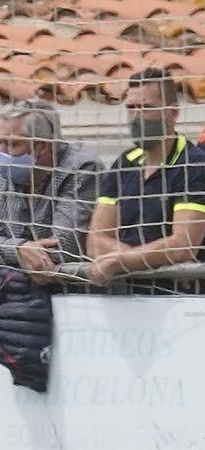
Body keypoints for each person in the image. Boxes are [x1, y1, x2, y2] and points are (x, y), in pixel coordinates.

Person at [87, 67, 205, 293]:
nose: (136, 117)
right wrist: (137, 259)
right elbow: (94, 241)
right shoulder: (124, 163)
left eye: (146, 108)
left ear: (172, 113)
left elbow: (183, 244)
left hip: (182, 302)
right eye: (130, 108)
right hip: (127, 298)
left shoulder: (195, 164)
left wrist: (118, 261)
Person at [0, 99, 104, 280]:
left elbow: (65, 247)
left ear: (42, 146)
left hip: (77, 294)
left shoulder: (82, 168)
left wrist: (10, 249)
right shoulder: (8, 172)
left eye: (13, 144)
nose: (2, 154)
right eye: (1, 143)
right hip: (23, 295)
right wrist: (19, 249)